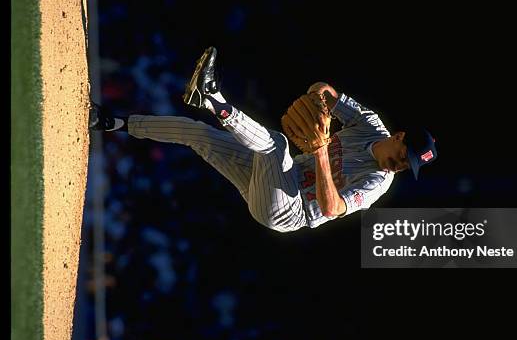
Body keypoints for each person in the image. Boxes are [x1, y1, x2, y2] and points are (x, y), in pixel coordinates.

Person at [89, 47, 438, 232]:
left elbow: (331, 209)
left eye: (407, 167)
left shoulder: (377, 182)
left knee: (277, 144)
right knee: (199, 135)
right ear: (399, 137)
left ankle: (213, 98)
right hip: (276, 178)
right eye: (404, 155)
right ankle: (112, 122)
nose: (400, 165)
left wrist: (318, 152)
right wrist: (321, 101)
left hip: (289, 210)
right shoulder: (370, 125)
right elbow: (323, 89)